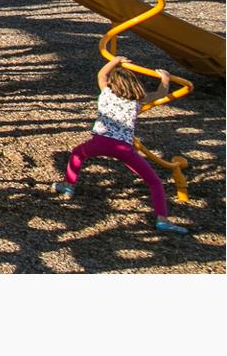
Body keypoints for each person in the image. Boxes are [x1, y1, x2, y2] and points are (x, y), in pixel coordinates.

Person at [53, 57, 189, 234]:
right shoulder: (137, 100)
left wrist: (115, 60)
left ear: (112, 84)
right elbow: (160, 94)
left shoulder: (106, 93)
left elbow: (102, 73)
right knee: (154, 182)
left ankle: (68, 185)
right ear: (134, 86)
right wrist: (165, 79)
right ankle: (162, 220)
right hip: (124, 148)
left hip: (99, 142)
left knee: (77, 154)